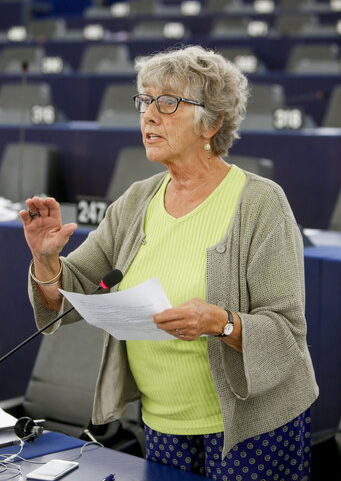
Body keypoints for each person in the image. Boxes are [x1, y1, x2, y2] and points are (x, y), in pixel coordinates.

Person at [20, 45, 318, 481]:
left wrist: (221, 322)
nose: (149, 115)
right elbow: (70, 294)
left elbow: (287, 333)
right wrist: (46, 261)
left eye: (168, 103)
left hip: (250, 428)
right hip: (162, 424)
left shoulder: (260, 203)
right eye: (144, 101)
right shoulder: (136, 200)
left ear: (212, 122)